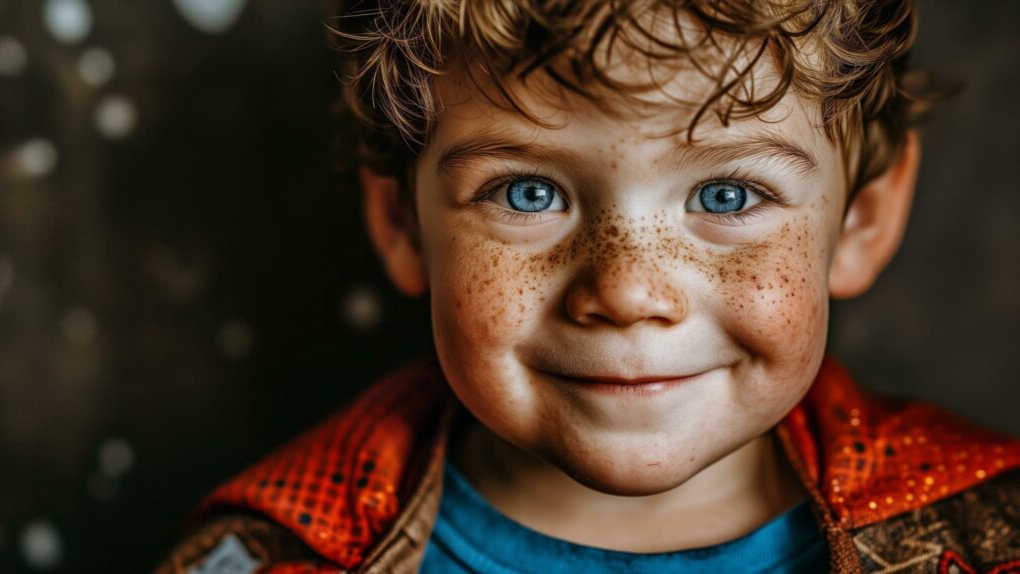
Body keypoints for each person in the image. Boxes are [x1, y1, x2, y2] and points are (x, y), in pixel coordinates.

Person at [155, 1, 1020, 572]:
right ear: (401, 223)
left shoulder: (988, 536)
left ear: (861, 220)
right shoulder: (273, 553)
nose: (627, 291)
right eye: (528, 193)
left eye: (727, 195)